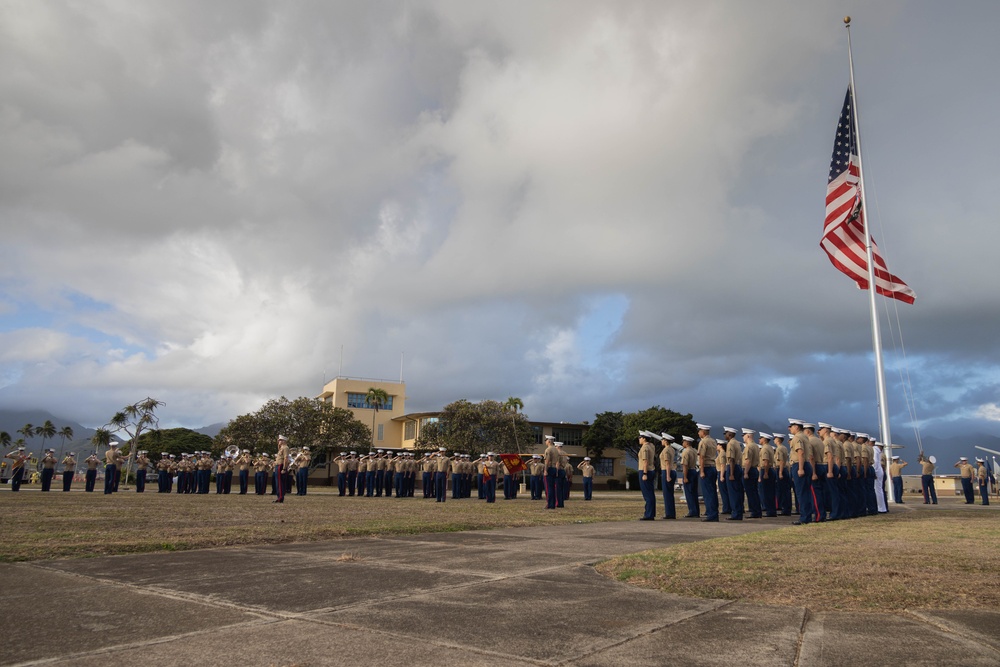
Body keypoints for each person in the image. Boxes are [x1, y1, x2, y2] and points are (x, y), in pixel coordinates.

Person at [788, 419, 813, 525]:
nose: (790, 428)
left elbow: (800, 452)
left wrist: (800, 468)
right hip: (806, 464)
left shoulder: (797, 437)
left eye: (791, 426)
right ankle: (807, 516)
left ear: (796, 427)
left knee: (801, 493)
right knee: (806, 492)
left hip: (799, 464)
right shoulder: (805, 437)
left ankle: (804, 517)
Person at [696, 423, 719, 522]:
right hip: (713, 467)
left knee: (707, 493)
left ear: (703, 432)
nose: (698, 433)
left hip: (706, 467)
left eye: (699, 431)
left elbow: (702, 457)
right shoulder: (713, 441)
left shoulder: (703, 442)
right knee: (712, 492)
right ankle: (713, 513)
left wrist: (701, 471)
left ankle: (711, 514)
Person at [724, 427, 744, 521]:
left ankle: (736, 514)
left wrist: (731, 473)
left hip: (733, 467)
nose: (725, 435)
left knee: (733, 492)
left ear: (730, 435)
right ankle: (738, 512)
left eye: (726, 433)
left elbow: (731, 459)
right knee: (737, 491)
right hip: (738, 467)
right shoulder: (737, 443)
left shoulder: (731, 443)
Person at [741, 428, 761, 519]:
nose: (743, 437)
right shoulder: (756, 446)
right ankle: (757, 511)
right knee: (754, 492)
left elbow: (748, 461)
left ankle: (754, 511)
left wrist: (745, 472)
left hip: (750, 470)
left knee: (751, 493)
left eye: (744, 435)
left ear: (748, 436)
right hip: (754, 469)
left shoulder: (749, 447)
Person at [637, 431, 656, 521]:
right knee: (650, 493)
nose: (639, 439)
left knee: (647, 494)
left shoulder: (644, 448)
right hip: (651, 470)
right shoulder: (651, 446)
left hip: (645, 470)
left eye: (640, 438)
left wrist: (644, 473)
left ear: (644, 438)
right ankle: (651, 513)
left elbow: (645, 461)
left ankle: (648, 514)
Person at [680, 436, 700, 518]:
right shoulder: (694, 451)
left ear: (687, 443)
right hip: (694, 470)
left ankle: (692, 511)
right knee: (694, 492)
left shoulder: (686, 452)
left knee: (689, 493)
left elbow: (685, 465)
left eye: (683, 441)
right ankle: (696, 511)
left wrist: (685, 477)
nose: (682, 443)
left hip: (688, 472)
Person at [757, 433, 776, 518]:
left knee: (766, 492)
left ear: (764, 439)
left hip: (766, 470)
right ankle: (771, 510)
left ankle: (770, 511)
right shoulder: (770, 447)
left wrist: (765, 472)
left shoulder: (765, 448)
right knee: (770, 492)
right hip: (770, 470)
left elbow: (766, 462)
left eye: (760, 438)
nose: (759, 439)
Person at [773, 434, 792, 516]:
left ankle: (785, 509)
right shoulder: (784, 448)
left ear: (777, 440)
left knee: (783, 490)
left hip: (781, 469)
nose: (773, 440)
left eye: (775, 438)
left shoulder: (779, 449)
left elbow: (781, 461)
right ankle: (786, 508)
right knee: (785, 490)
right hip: (783, 469)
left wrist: (780, 472)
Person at [658, 434, 676, 519]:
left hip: (667, 471)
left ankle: (669, 513)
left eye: (662, 440)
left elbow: (667, 463)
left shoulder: (666, 450)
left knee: (667, 494)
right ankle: (671, 512)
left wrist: (668, 476)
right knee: (669, 493)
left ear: (665, 441)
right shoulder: (671, 449)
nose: (661, 441)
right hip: (671, 470)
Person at [543, 436, 559, 509]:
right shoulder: (556, 449)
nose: (545, 442)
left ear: (549, 441)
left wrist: (545, 470)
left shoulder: (548, 450)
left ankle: (550, 504)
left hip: (549, 468)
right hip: (554, 468)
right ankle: (553, 504)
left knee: (549, 488)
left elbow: (547, 461)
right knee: (552, 487)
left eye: (546, 440)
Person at [273, 435, 289, 503]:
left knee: (279, 483)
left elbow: (286, 458)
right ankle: (279, 496)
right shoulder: (281, 448)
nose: (278, 441)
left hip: (280, 466)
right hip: (277, 465)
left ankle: (280, 497)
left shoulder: (285, 448)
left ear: (284, 441)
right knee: (277, 482)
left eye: (280, 440)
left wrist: (284, 468)